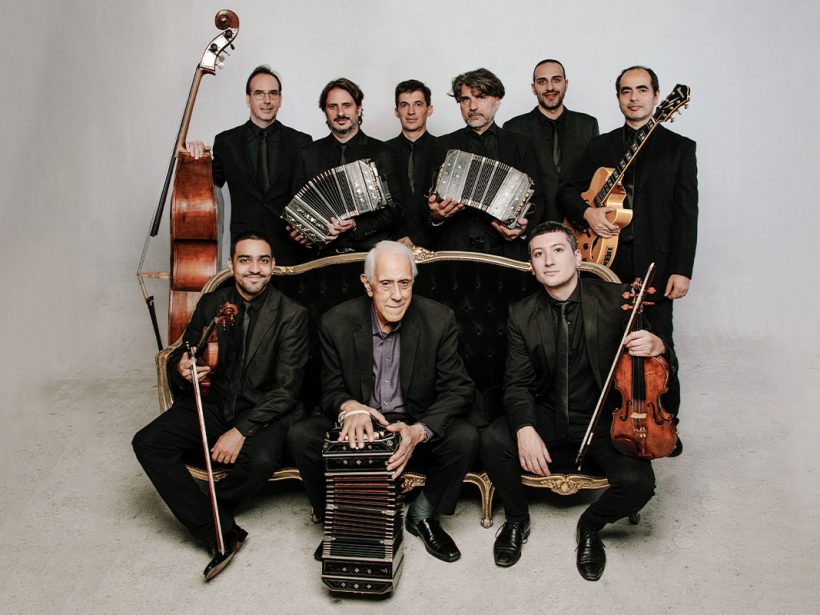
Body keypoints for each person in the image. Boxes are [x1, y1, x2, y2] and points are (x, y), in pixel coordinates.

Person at [480, 222, 677, 580]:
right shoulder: (522, 314)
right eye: (538, 254)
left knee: (639, 484)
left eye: (558, 250)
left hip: (605, 417)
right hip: (549, 411)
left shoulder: (618, 299)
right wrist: (525, 428)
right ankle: (517, 520)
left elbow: (664, 359)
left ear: (577, 256)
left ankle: (590, 526)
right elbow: (517, 383)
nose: (549, 261)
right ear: (531, 267)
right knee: (493, 440)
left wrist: (658, 345)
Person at [132, 232, 309, 580]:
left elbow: (286, 391)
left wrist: (241, 431)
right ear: (231, 265)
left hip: (261, 410)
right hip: (213, 400)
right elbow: (187, 349)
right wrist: (182, 368)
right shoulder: (213, 302)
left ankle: (214, 512)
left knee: (260, 460)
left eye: (262, 261)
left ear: (273, 266)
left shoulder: (292, 314)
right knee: (147, 442)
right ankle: (220, 530)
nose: (254, 269)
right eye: (245, 260)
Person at [287, 241, 477, 563]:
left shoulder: (438, 319)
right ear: (368, 284)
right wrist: (351, 408)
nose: (397, 295)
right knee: (302, 436)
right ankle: (341, 520)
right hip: (361, 420)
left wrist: (418, 431)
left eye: (404, 283)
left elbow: (459, 389)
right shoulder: (336, 322)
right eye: (386, 284)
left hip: (412, 419)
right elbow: (331, 390)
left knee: (465, 437)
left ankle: (423, 514)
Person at [557, 65, 697, 416]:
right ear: (618, 97)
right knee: (604, 345)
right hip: (605, 263)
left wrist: (682, 269)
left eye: (642, 90)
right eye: (626, 91)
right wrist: (588, 214)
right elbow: (567, 191)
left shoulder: (679, 148)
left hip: (655, 264)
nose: (634, 98)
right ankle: (610, 421)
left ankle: (666, 423)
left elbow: (686, 213)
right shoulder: (600, 145)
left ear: (657, 96)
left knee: (659, 343)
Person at [187, 65, 313, 265]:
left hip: (290, 248)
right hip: (244, 247)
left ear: (280, 99)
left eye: (273, 93)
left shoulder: (301, 142)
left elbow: (310, 196)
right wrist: (197, 157)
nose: (266, 100)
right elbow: (207, 187)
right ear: (248, 99)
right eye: (259, 93)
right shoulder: (226, 142)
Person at [428, 68, 545, 261]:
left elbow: (538, 197)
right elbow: (425, 202)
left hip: (507, 252)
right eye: (465, 99)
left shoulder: (522, 145)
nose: (472, 106)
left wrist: (524, 228)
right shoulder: (442, 145)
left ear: (497, 101)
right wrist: (435, 215)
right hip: (456, 252)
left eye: (480, 97)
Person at [292, 78, 405, 254]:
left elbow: (396, 209)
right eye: (332, 107)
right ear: (325, 112)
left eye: (346, 105)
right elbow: (297, 210)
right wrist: (303, 231)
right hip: (323, 256)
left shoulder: (383, 152)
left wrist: (356, 224)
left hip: (370, 254)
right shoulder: (307, 154)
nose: (340, 113)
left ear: (359, 109)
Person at [504, 59, 599, 221]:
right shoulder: (514, 128)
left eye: (556, 80)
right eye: (542, 82)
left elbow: (595, 179)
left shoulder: (587, 125)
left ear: (566, 84)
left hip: (578, 223)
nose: (550, 87)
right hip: (534, 223)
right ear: (533, 88)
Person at [387, 79, 438, 248]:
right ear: (396, 111)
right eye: (404, 105)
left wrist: (418, 238)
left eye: (418, 104)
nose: (411, 112)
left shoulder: (444, 149)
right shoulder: (382, 152)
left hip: (435, 245)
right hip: (393, 245)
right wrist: (399, 238)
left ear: (429, 110)